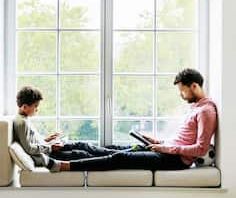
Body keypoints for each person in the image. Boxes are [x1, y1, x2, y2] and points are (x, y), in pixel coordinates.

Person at [42, 68, 218, 172]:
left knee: (120, 157)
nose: (181, 94)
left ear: (194, 86)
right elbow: (183, 139)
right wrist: (157, 141)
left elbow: (200, 148)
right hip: (165, 151)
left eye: (182, 90)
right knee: (110, 149)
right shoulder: (195, 108)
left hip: (174, 160)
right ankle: (51, 152)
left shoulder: (206, 111)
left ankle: (64, 166)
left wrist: (165, 147)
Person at [13, 86, 133, 172]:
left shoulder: (24, 119)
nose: (37, 109)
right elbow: (29, 148)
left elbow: (32, 142)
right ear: (24, 107)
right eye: (35, 106)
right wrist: (50, 147)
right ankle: (122, 157)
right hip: (49, 155)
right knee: (82, 153)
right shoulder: (21, 123)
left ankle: (123, 153)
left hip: (49, 149)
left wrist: (47, 139)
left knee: (82, 145)